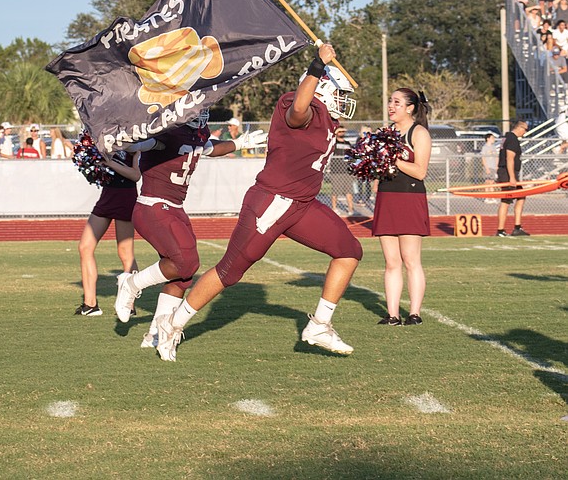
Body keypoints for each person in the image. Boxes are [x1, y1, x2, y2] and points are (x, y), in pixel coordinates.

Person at [149, 44, 363, 362]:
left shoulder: (329, 121)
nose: (343, 103)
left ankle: (319, 325)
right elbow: (299, 108)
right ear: (323, 87)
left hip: (303, 204)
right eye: (339, 93)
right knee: (230, 271)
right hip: (273, 203)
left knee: (349, 251)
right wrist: (318, 66)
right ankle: (173, 324)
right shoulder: (299, 104)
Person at [113, 107, 268, 349]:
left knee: (183, 277)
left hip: (174, 208)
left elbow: (210, 148)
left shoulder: (197, 132)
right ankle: (131, 283)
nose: (201, 113)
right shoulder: (168, 130)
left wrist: (239, 143)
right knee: (187, 263)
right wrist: (127, 141)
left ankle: (155, 334)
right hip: (153, 207)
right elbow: (143, 145)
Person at [372, 89, 433, 327]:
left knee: (410, 259)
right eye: (390, 101)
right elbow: (378, 168)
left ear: (409, 108)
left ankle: (414, 313)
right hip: (387, 197)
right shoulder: (386, 133)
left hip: (409, 197)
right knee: (391, 262)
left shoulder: (419, 133)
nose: (391, 105)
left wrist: (392, 159)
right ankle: (392, 315)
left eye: (396, 102)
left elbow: (420, 171)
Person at [76, 150, 140, 316]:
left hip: (126, 196)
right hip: (107, 194)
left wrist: (110, 163)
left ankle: (129, 304)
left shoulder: (134, 140)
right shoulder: (104, 140)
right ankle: (90, 305)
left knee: (125, 253)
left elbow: (135, 175)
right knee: (85, 247)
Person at [496, 119, 530, 237]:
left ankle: (517, 227)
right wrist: (512, 178)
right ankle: (500, 230)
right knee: (506, 200)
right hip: (508, 173)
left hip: (508, 172)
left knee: (521, 196)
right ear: (519, 127)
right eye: (525, 129)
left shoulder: (507, 138)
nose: (525, 133)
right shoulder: (512, 139)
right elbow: (509, 158)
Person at [328, 126, 354, 216]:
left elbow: (352, 155)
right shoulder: (334, 142)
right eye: (340, 131)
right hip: (336, 171)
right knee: (335, 191)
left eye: (343, 131)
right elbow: (331, 140)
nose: (342, 133)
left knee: (349, 192)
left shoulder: (347, 143)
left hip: (346, 171)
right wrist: (336, 132)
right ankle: (334, 208)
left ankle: (351, 209)